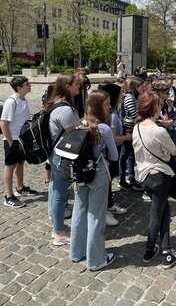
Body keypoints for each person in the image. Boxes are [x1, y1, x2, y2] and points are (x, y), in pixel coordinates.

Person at [132, 90, 176, 269]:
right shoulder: (159, 130)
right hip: (159, 177)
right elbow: (173, 151)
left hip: (145, 176)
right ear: (153, 107)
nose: (161, 107)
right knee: (157, 214)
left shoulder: (137, 127)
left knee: (164, 212)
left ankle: (164, 248)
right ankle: (157, 252)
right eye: (159, 105)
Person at [70, 90, 118, 270]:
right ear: (98, 106)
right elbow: (114, 155)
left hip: (80, 173)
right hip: (97, 174)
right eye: (106, 104)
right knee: (96, 216)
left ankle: (76, 252)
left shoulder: (80, 123)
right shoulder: (103, 128)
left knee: (79, 212)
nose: (109, 106)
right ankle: (96, 259)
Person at [46, 74, 80, 245]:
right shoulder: (65, 109)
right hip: (62, 155)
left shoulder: (56, 104)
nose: (79, 86)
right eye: (76, 84)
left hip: (56, 153)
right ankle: (58, 232)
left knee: (56, 189)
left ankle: (57, 225)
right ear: (67, 86)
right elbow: (74, 133)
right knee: (60, 193)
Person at [1, 76, 37, 208]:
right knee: (10, 166)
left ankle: (20, 188)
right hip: (13, 139)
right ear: (19, 88)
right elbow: (3, 123)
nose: (30, 85)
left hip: (21, 139)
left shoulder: (24, 100)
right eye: (27, 84)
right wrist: (10, 141)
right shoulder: (11, 102)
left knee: (20, 163)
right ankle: (8, 196)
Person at [102, 83, 131, 225]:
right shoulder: (112, 114)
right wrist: (126, 138)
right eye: (120, 93)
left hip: (113, 151)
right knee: (107, 180)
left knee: (109, 180)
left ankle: (109, 204)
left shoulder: (113, 111)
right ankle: (105, 208)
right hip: (110, 153)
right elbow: (112, 139)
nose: (123, 95)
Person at [119, 77, 144, 191]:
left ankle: (131, 178)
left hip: (132, 129)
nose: (143, 89)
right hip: (128, 129)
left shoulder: (134, 97)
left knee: (131, 155)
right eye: (141, 87)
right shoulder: (129, 97)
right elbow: (134, 114)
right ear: (135, 87)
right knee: (125, 155)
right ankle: (123, 180)